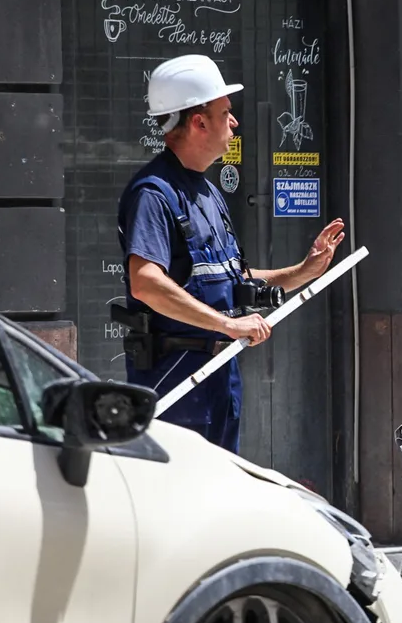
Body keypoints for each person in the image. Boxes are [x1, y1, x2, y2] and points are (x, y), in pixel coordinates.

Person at [115, 54, 346, 455]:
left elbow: (230, 278)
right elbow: (146, 283)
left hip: (219, 377)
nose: (234, 123)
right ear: (199, 122)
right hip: (177, 382)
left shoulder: (208, 193)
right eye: (226, 112)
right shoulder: (153, 193)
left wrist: (302, 272)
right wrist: (227, 324)